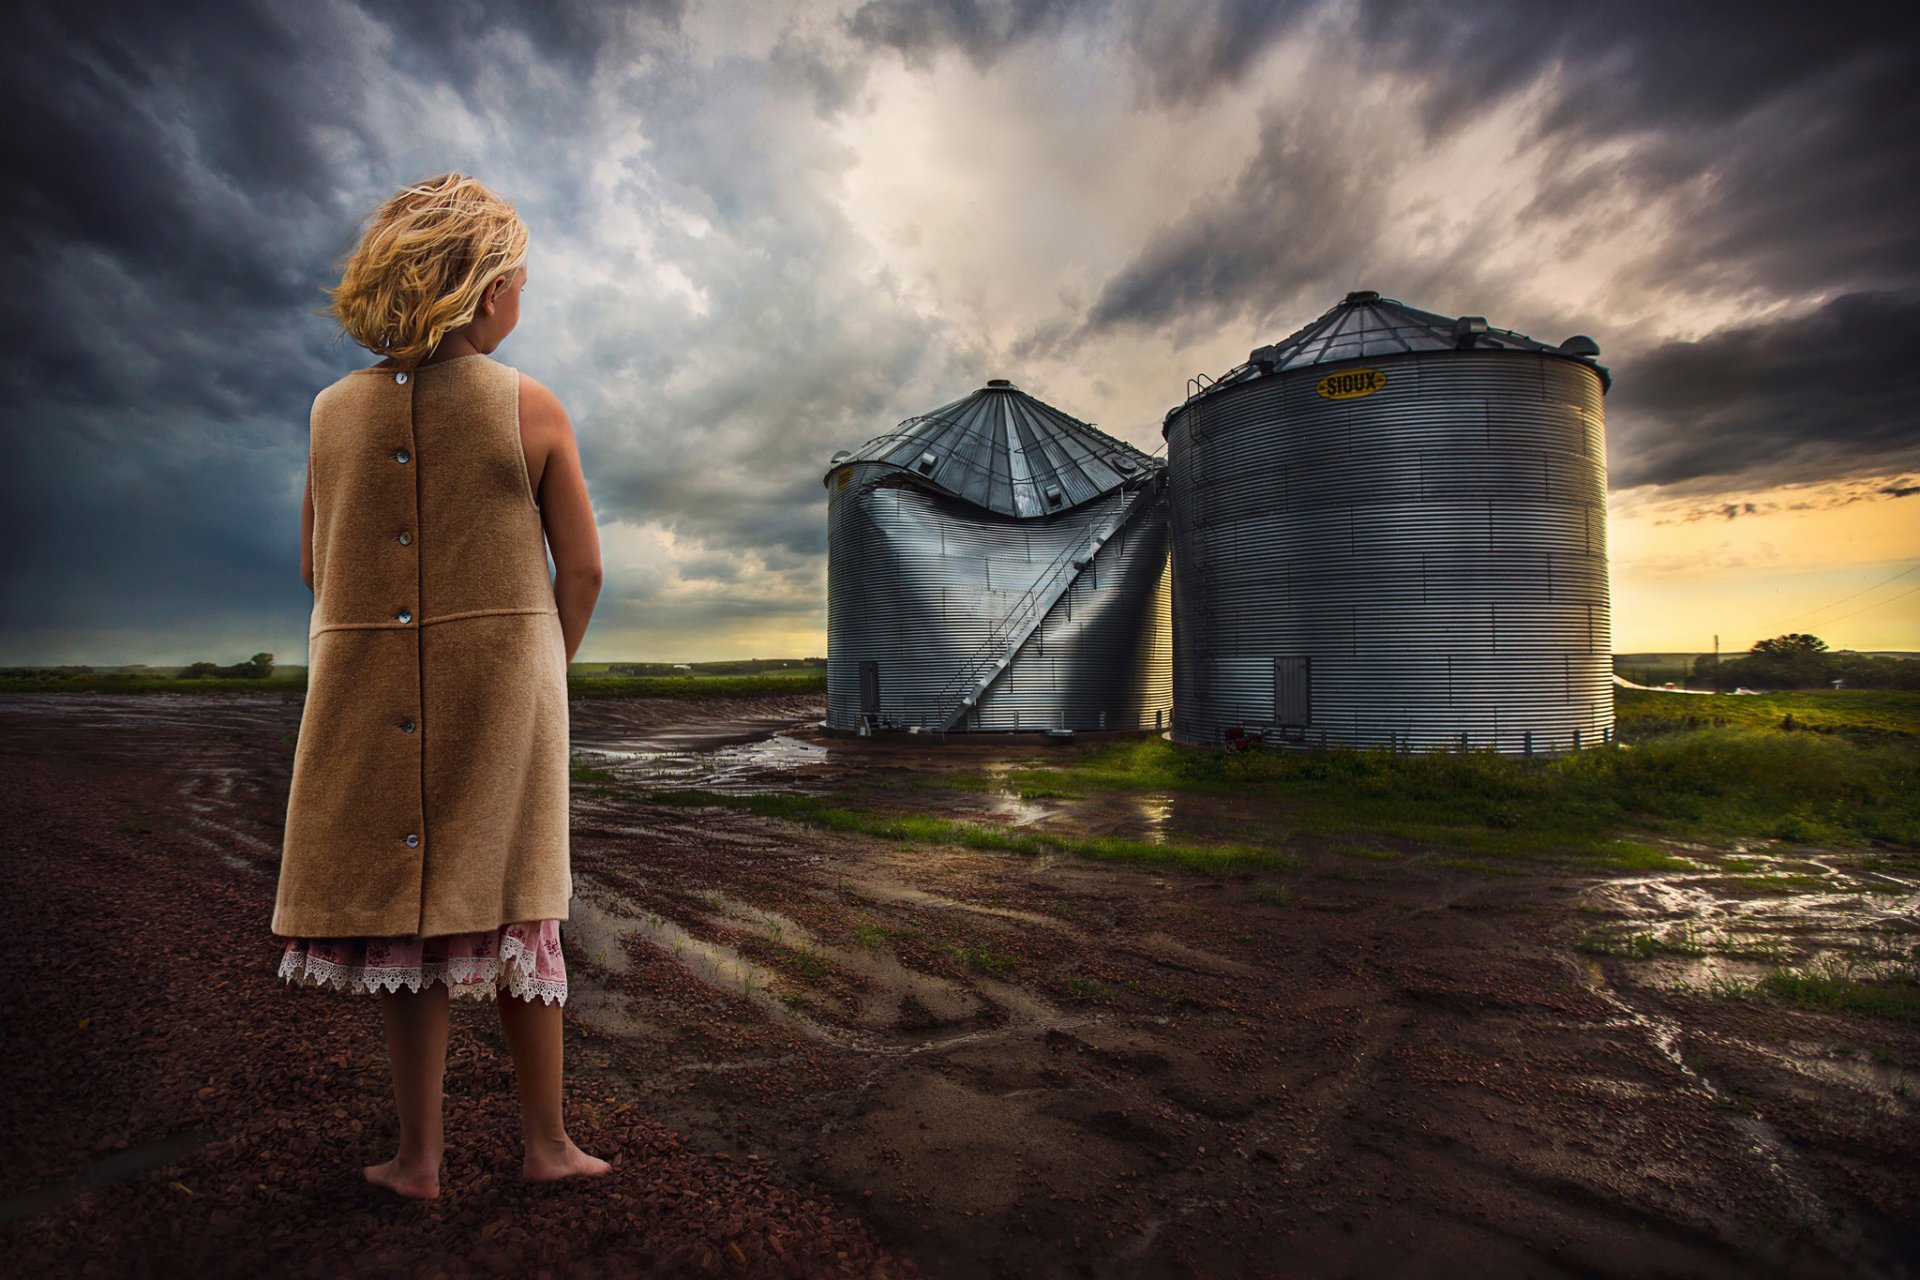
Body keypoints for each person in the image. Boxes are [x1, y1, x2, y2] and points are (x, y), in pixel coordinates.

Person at [270, 172, 609, 1199]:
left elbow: (313, 565)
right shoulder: (529, 404)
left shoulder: (331, 412)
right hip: (502, 701)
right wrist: (543, 665)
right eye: (518, 278)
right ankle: (545, 1142)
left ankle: (418, 1157)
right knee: (520, 912)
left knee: (405, 933)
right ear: (482, 287)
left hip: (369, 699)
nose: (523, 297)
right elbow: (583, 567)